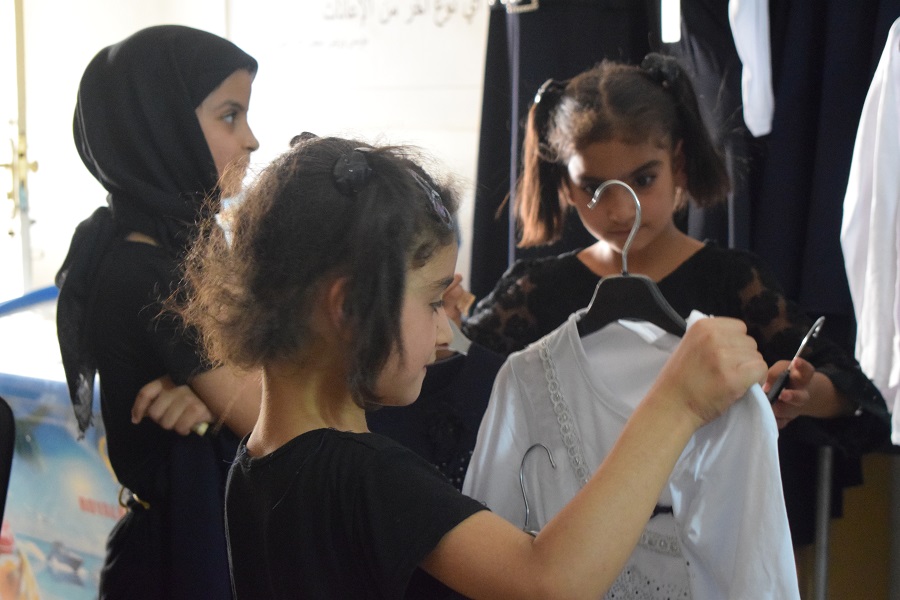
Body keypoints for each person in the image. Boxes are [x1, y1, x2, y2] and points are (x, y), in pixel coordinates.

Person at [172, 133, 767, 598]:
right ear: (350, 306)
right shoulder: (364, 475)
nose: (444, 330)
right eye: (434, 301)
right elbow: (550, 582)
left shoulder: (256, 463)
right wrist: (677, 402)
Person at [457, 53, 891, 548]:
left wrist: (808, 393)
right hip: (569, 545)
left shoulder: (734, 282)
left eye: (643, 180)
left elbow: (863, 402)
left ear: (678, 165)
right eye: (594, 188)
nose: (621, 209)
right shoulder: (533, 293)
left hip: (708, 539)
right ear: (565, 185)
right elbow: (453, 393)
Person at [55, 25, 261, 600]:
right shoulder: (151, 272)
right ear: (162, 128)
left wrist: (214, 397)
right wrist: (230, 398)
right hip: (181, 561)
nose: (251, 139)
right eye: (230, 116)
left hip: (199, 541)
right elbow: (277, 416)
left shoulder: (191, 243)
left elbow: (252, 386)